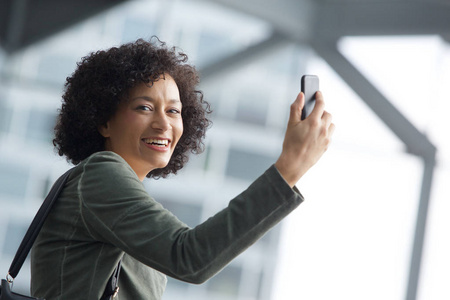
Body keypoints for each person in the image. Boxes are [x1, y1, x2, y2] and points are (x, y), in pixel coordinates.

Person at [30, 38, 335, 300]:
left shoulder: (120, 194)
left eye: (173, 111)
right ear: (104, 121)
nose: (164, 123)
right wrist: (288, 169)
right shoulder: (100, 175)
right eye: (144, 107)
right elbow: (190, 256)